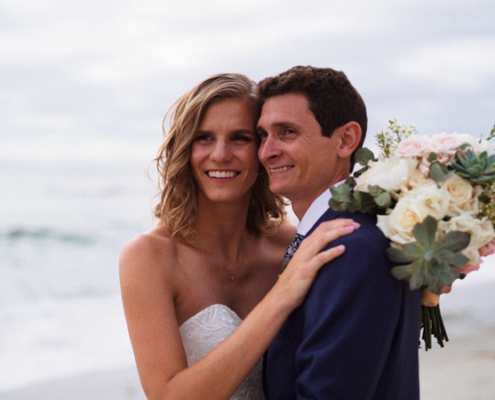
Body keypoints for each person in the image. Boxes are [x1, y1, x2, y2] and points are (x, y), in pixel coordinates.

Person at [119, 73, 360, 400]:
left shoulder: (293, 246)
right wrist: (280, 297)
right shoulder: (149, 257)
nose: (219, 154)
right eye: (204, 137)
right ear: (185, 149)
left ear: (263, 149)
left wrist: (428, 262)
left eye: (240, 138)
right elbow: (166, 395)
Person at [257, 66, 421, 399]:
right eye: (262, 135)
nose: (266, 151)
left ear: (346, 140)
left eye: (287, 132)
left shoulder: (351, 247)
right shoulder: (350, 230)